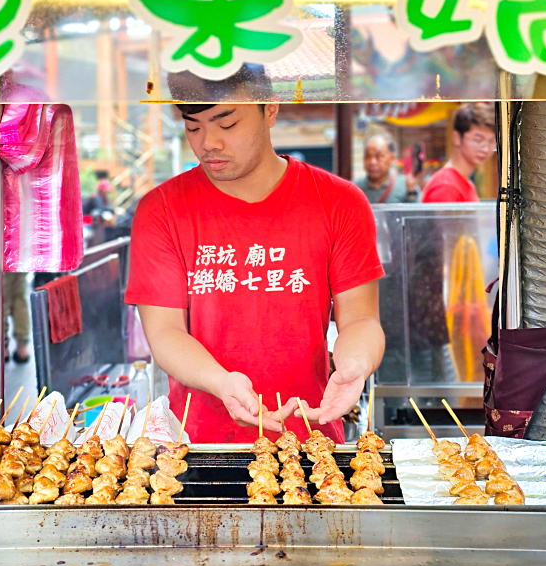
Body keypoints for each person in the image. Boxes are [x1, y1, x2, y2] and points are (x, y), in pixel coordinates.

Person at [125, 99, 386, 444]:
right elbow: (164, 333)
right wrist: (222, 383)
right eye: (193, 126)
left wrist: (355, 364)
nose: (208, 142)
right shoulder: (161, 210)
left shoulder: (339, 202)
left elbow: (361, 320)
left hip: (310, 441)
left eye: (227, 124)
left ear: (270, 111)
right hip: (198, 447)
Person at [420, 102, 496, 203]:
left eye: (491, 141)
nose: (486, 149)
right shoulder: (446, 187)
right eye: (478, 140)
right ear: (457, 138)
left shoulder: (464, 181)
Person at [355, 133, 410, 204]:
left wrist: (411, 192)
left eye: (379, 156)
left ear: (392, 158)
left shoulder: (405, 185)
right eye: (367, 156)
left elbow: (417, 213)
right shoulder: (356, 189)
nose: (372, 162)